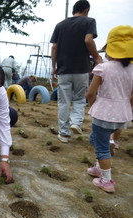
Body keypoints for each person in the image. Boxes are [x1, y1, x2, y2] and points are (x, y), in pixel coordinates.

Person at [86, 25, 133, 193]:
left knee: (101, 148)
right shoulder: (132, 70)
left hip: (103, 112)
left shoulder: (103, 68)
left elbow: (91, 93)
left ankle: (106, 180)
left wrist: (94, 107)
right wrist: (127, 110)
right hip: (122, 115)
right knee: (101, 140)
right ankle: (99, 168)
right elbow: (132, 97)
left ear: (110, 49)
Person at [50, 0, 102, 143]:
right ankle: (75, 122)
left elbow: (54, 47)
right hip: (81, 69)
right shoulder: (89, 21)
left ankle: (64, 134)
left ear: (74, 10)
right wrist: (97, 57)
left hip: (63, 70)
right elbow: (88, 41)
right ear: (86, 10)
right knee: (80, 98)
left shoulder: (60, 25)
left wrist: (54, 66)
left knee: (63, 102)